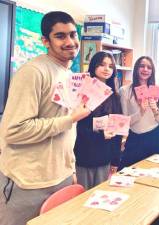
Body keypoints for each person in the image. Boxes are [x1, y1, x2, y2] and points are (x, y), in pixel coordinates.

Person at [0, 11, 91, 225]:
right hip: (28, 183)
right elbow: (14, 130)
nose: (70, 42)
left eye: (72, 35)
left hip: (62, 178)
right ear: (45, 41)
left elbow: (68, 132)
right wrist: (70, 119)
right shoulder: (33, 72)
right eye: (60, 36)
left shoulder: (70, 75)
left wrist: (71, 168)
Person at [73, 51, 122, 190]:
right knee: (81, 199)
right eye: (102, 65)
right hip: (84, 156)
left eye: (110, 66)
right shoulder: (82, 93)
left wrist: (115, 161)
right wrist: (100, 135)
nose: (107, 69)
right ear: (94, 66)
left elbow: (117, 131)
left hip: (104, 158)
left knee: (99, 195)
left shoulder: (114, 97)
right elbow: (76, 127)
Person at [119, 56, 159, 168]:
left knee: (153, 176)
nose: (145, 69)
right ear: (136, 68)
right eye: (142, 66)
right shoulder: (125, 91)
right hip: (135, 138)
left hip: (155, 137)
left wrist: (155, 111)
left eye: (149, 67)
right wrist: (140, 112)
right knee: (127, 174)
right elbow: (124, 123)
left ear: (152, 71)